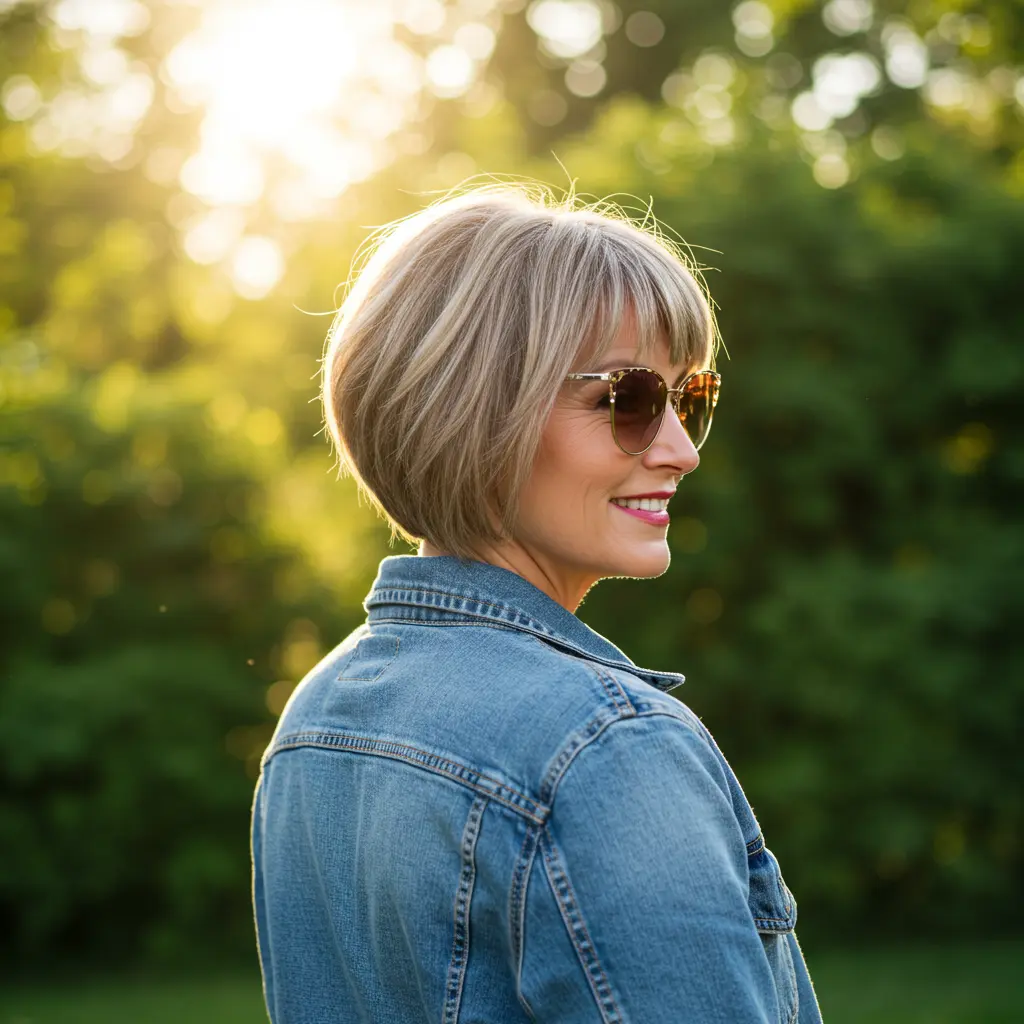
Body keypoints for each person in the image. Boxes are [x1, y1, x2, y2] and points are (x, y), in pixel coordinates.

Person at [251, 183, 823, 1023]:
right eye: (629, 400)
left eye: (689, 398)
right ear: (474, 414)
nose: (681, 450)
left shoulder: (317, 716)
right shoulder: (606, 752)